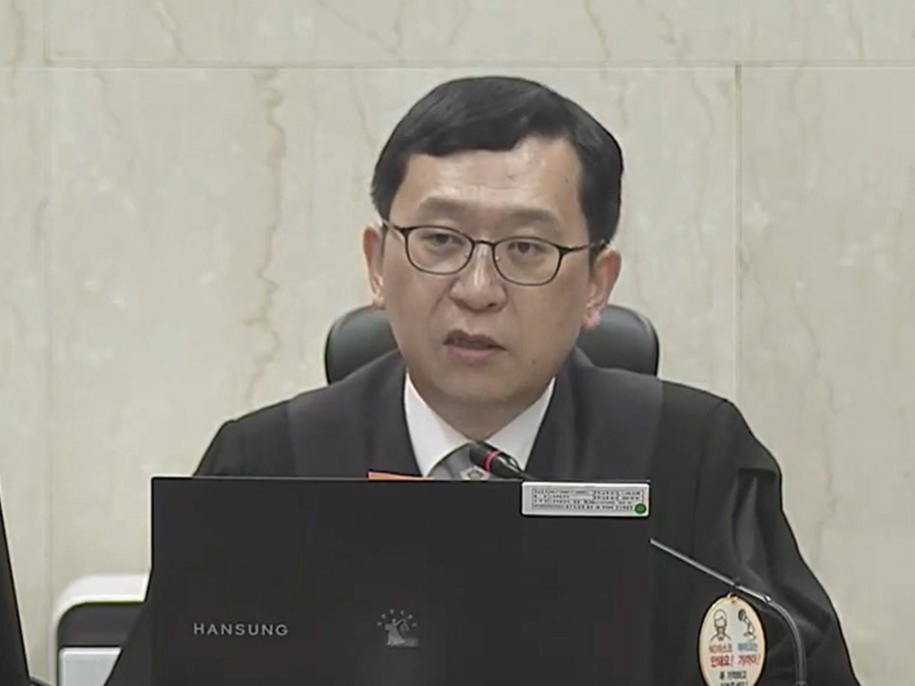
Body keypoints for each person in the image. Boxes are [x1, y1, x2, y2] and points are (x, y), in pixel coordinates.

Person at [106, 76, 859, 686]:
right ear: (376, 264)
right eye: (439, 240)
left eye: (526, 248)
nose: (476, 289)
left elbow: (792, 661)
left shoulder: (691, 463)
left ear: (596, 284)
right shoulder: (268, 467)